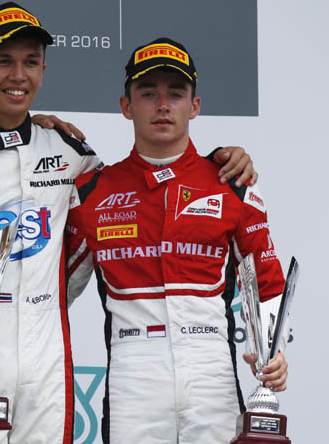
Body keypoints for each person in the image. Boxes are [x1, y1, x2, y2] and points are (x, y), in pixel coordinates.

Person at [0, 2, 257, 443]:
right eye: (3, 61)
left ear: (43, 70)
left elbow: (140, 187)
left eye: (31, 62)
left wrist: (220, 161)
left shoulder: (70, 153)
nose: (19, 75)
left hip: (49, 368)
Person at [65, 37, 289, 444]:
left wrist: (273, 352)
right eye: (148, 93)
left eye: (176, 93)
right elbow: (51, 292)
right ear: (126, 106)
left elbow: (267, 282)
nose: (163, 105)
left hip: (211, 370)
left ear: (194, 106)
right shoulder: (92, 192)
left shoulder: (232, 184)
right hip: (133, 372)